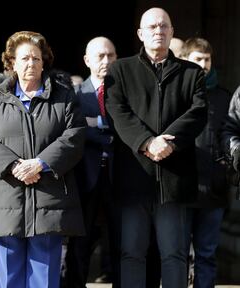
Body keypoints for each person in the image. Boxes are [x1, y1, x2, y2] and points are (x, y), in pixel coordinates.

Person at [0, 31, 86, 288]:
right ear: (11, 62)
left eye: (36, 58)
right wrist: (14, 166)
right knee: (7, 278)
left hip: (49, 198)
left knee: (43, 279)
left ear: (44, 62)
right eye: (24, 58)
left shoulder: (64, 96)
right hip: (5, 198)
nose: (31, 64)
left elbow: (75, 135)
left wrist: (40, 163)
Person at [105, 7, 207, 288]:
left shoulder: (192, 73)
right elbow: (117, 111)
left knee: (174, 254)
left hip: (174, 179)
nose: (158, 31)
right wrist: (147, 142)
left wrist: (167, 141)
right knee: (132, 253)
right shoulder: (120, 70)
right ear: (140, 33)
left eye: (164, 26)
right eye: (151, 27)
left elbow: (198, 113)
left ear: (172, 32)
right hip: (135, 176)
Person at [65, 36, 117, 288]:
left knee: (120, 239)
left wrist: (95, 123)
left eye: (111, 55)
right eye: (100, 56)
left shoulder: (126, 92)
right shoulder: (75, 94)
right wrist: (106, 129)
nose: (106, 60)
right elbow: (73, 130)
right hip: (84, 175)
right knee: (80, 241)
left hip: (120, 175)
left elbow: (128, 129)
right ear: (87, 60)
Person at [183, 37, 231, 287]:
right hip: (181, 186)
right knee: (176, 255)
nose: (203, 64)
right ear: (185, 60)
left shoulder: (224, 97)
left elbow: (230, 133)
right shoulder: (175, 93)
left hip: (213, 187)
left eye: (207, 59)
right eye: (198, 59)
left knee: (207, 254)